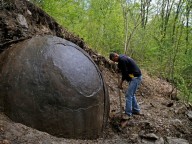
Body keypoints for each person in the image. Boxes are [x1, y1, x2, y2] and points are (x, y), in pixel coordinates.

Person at [109, 52, 142, 117]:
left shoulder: (122, 60)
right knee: (131, 94)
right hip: (134, 76)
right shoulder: (121, 57)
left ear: (115, 56)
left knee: (128, 95)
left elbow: (124, 73)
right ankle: (136, 110)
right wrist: (119, 69)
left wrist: (120, 83)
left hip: (135, 77)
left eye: (114, 60)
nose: (114, 61)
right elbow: (123, 68)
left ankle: (128, 113)